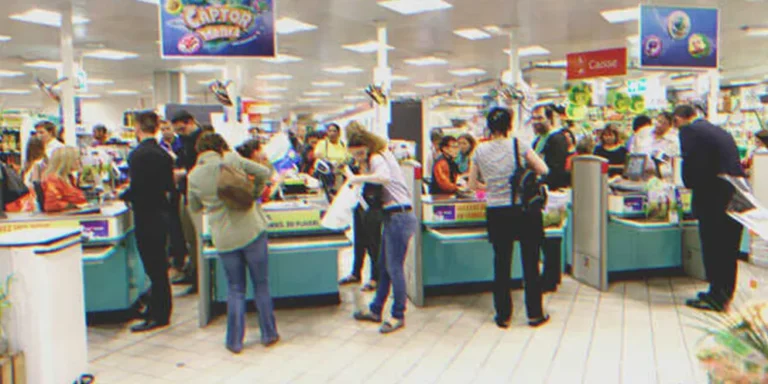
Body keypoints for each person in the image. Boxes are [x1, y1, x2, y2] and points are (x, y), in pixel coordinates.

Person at [187, 132, 279, 352]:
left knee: (235, 288)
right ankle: (269, 334)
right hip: (252, 229)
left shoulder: (194, 176)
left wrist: (212, 204)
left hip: (224, 237)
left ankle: (234, 341)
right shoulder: (231, 159)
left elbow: (194, 207)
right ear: (220, 147)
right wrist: (254, 194)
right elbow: (264, 171)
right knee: (261, 285)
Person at [468, 107, 550, 329]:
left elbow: (472, 185)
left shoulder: (479, 150)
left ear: (489, 126)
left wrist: (493, 185)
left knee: (501, 263)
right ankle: (534, 314)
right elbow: (543, 169)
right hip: (522, 211)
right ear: (510, 125)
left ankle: (503, 315)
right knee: (530, 263)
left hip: (496, 211)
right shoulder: (518, 144)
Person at [675, 105, 745, 312]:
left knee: (713, 246)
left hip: (713, 196)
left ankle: (716, 297)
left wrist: (688, 183)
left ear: (680, 119)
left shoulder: (689, 131)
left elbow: (691, 166)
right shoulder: (720, 131)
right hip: (734, 195)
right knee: (728, 248)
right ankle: (723, 293)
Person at [348, 130, 418, 334]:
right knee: (384, 265)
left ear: (367, 146)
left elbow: (383, 177)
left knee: (394, 267)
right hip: (395, 216)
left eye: (360, 153)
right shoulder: (383, 155)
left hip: (399, 216)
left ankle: (398, 315)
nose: (358, 158)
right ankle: (376, 309)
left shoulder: (378, 157)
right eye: (355, 155)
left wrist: (358, 178)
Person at [122, 111, 175, 332]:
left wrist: (123, 196)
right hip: (162, 214)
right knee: (160, 267)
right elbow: (169, 186)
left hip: (147, 216)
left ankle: (159, 315)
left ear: (138, 128)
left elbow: (138, 189)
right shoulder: (164, 154)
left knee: (153, 268)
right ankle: (159, 308)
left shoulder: (137, 155)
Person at [338, 121, 384, 292]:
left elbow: (376, 179)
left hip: (372, 203)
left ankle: (375, 277)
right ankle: (356, 272)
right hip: (360, 201)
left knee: (373, 242)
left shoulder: (375, 158)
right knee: (359, 239)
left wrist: (358, 175)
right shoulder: (359, 157)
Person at [531, 104, 569, 292]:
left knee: (552, 237)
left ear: (550, 118)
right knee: (544, 236)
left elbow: (556, 169)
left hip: (553, 194)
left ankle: (551, 278)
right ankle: (547, 275)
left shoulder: (557, 139)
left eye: (540, 118)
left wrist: (541, 180)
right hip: (541, 193)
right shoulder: (538, 140)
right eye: (534, 118)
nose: (536, 122)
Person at [171, 110, 203, 292]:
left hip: (197, 196)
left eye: (182, 129)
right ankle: (194, 274)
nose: (179, 133)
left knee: (195, 237)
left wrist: (184, 172)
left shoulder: (202, 140)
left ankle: (199, 279)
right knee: (189, 238)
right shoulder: (184, 141)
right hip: (186, 192)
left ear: (190, 122)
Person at [41, 146, 86, 213]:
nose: (79, 162)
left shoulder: (69, 178)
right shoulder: (53, 180)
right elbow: (51, 205)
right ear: (67, 161)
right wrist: (74, 206)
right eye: (77, 159)